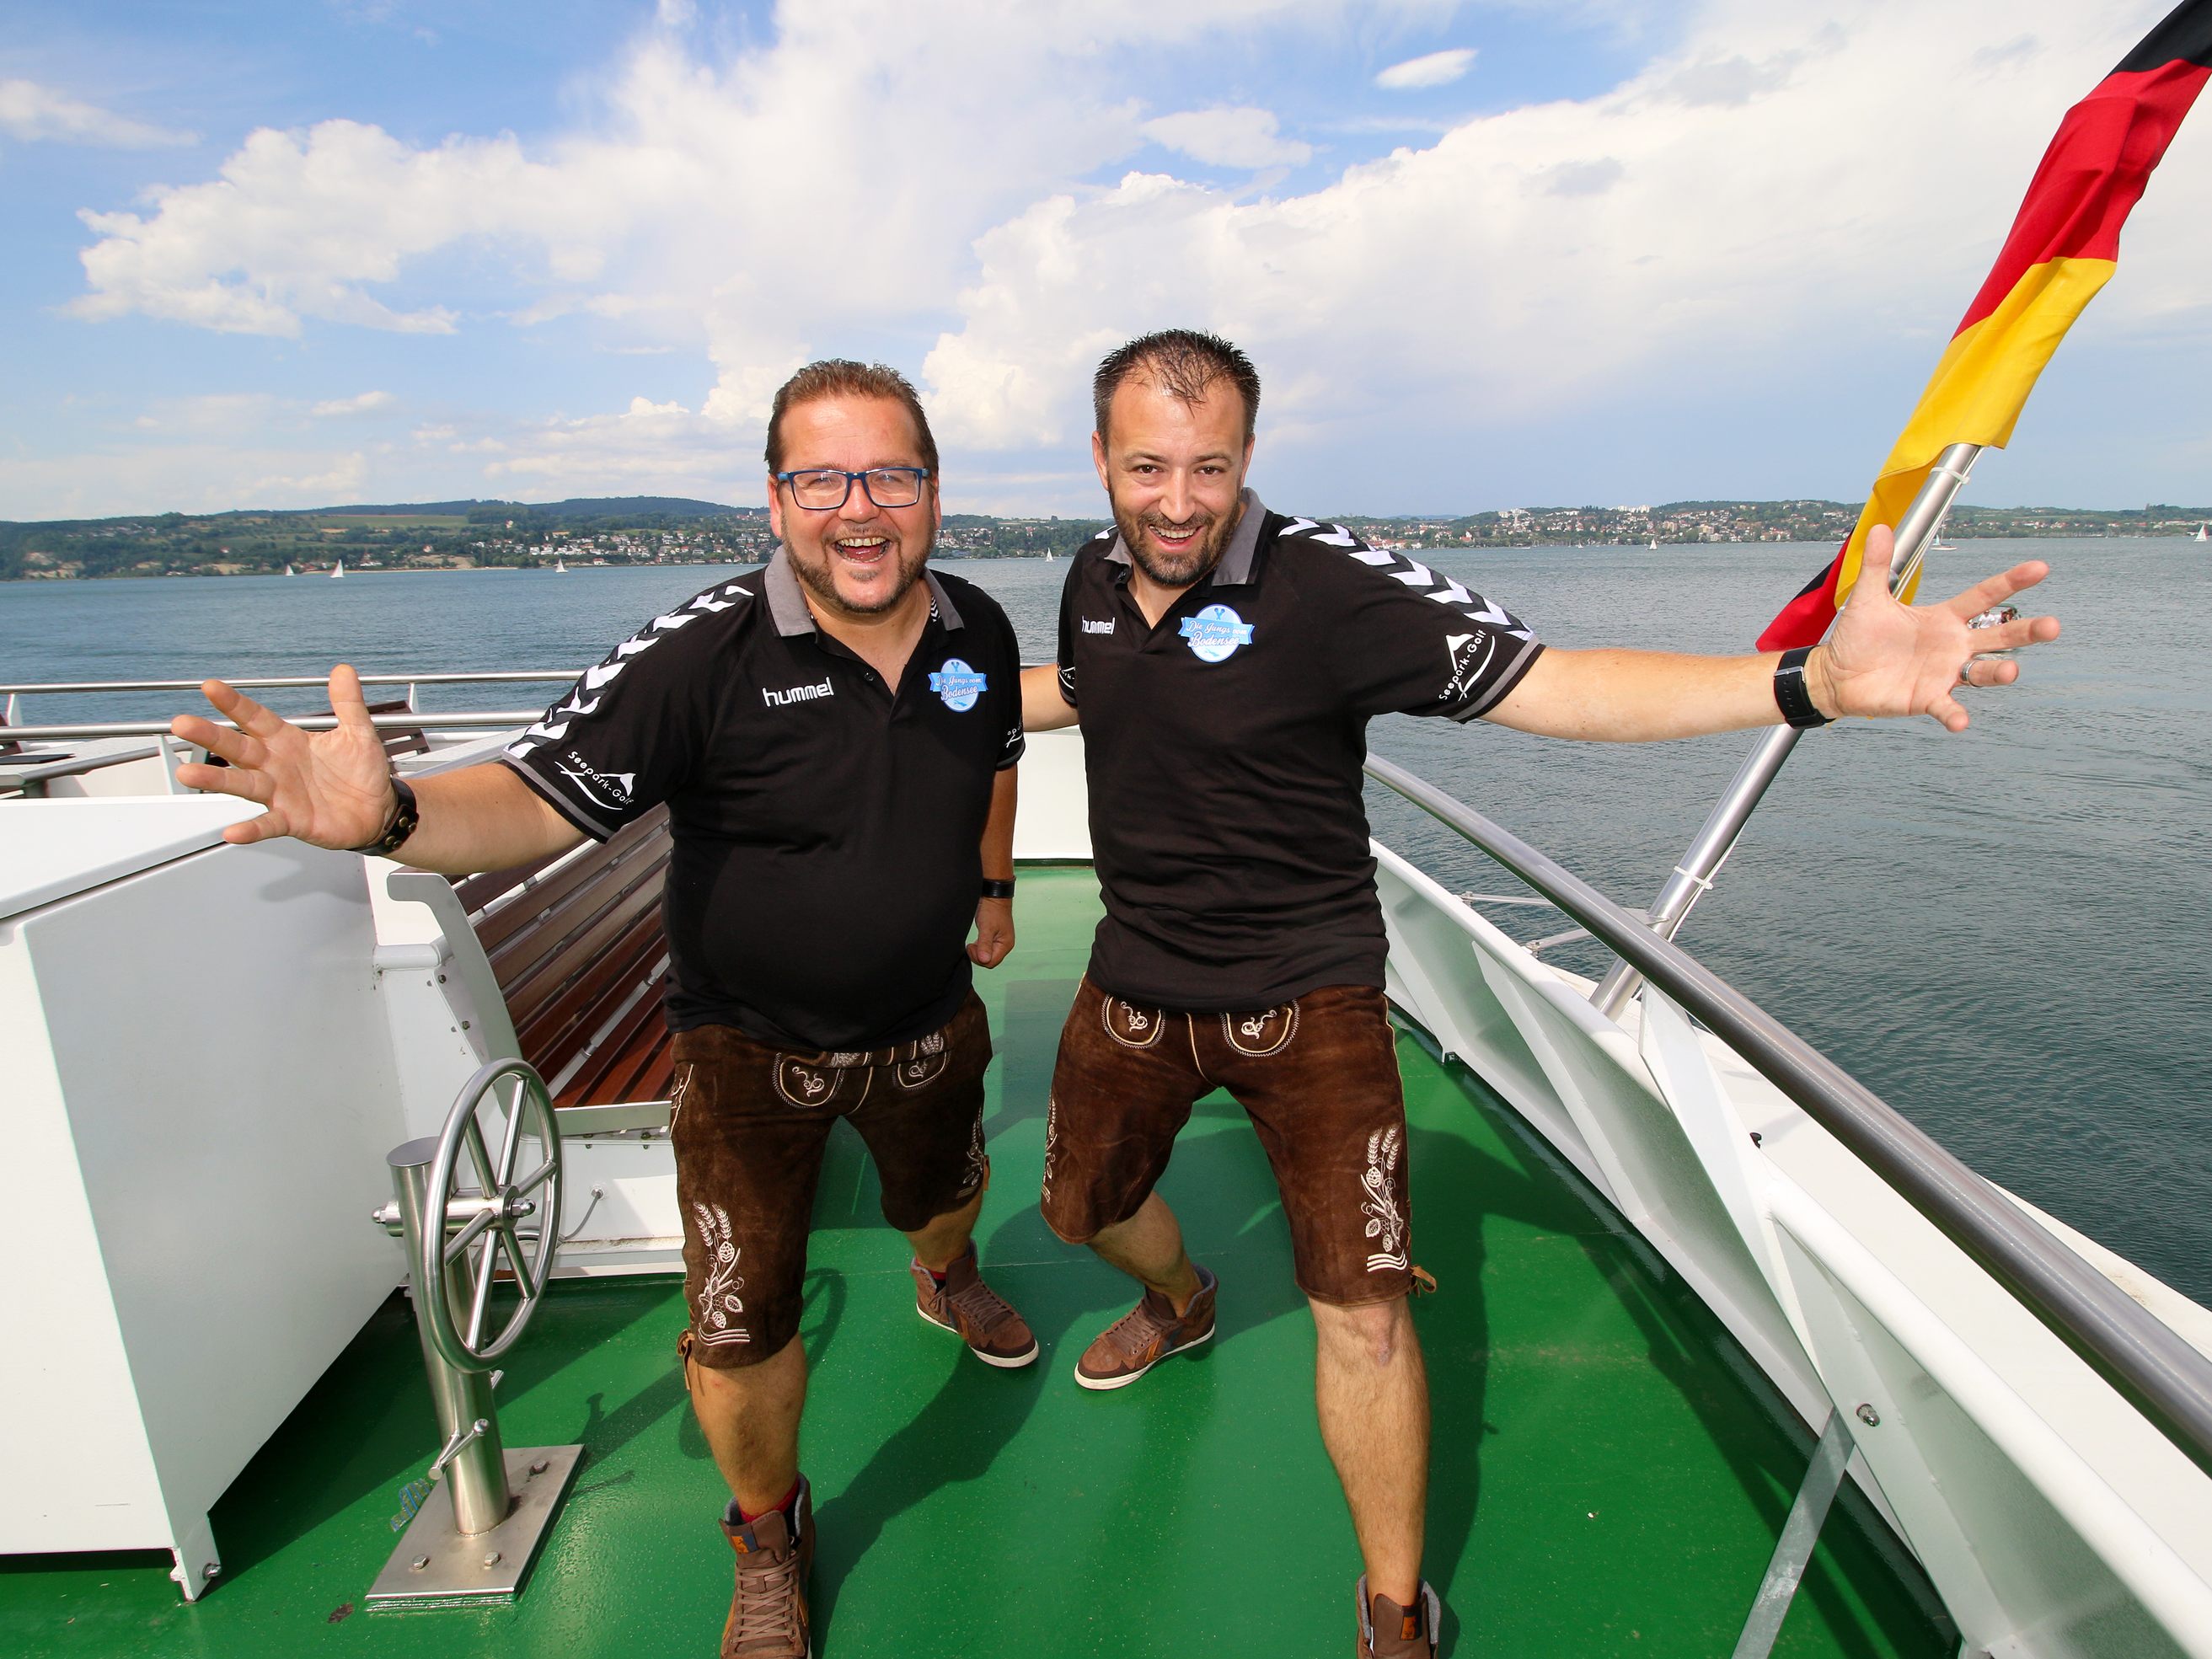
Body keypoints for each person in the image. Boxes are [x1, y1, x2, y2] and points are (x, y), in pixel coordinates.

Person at [1020, 329, 2059, 1659]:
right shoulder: (1089, 577)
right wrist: (924, 698)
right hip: (1136, 974)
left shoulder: (1334, 586)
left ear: (1248, 457)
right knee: (1080, 1204)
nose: (1175, 501)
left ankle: (1392, 1607)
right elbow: (1103, 687)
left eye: (1207, 467)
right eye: (1146, 466)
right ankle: (1182, 1297)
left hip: (1310, 994)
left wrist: (1808, 683)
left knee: (1364, 1307)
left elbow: (1556, 684)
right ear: (1100, 460)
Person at [172, 361, 1037, 1659]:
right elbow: (533, 796)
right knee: (742, 1324)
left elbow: (996, 766)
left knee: (945, 1190)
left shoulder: (978, 631)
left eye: (891, 475)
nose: (859, 507)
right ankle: (766, 1533)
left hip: (926, 1016)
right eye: (822, 477)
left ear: (932, 493)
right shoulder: (701, 652)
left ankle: (943, 1269)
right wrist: (394, 814)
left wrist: (991, 884)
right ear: (776, 498)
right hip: (747, 1049)